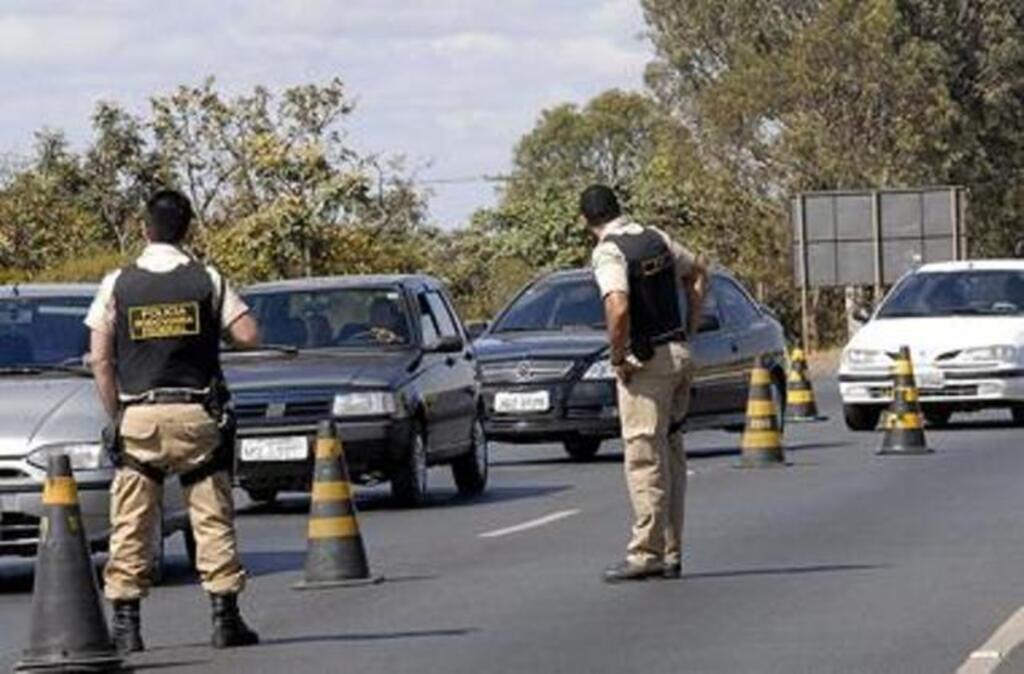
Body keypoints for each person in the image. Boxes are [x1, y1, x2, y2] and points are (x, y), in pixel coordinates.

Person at [86, 189, 261, 652]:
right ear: (187, 230)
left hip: (139, 415)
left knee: (131, 522)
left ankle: (127, 625)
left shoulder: (117, 283)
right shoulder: (207, 279)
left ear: (145, 228)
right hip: (195, 414)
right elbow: (248, 334)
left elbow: (100, 360)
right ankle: (226, 619)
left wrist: (117, 414)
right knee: (212, 517)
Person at [581, 184, 708, 584]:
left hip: (646, 365)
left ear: (587, 223)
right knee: (671, 452)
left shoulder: (609, 251)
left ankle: (645, 553)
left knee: (643, 456)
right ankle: (671, 550)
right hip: (677, 355)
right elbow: (700, 272)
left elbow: (617, 306)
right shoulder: (656, 238)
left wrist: (618, 357)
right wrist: (688, 329)